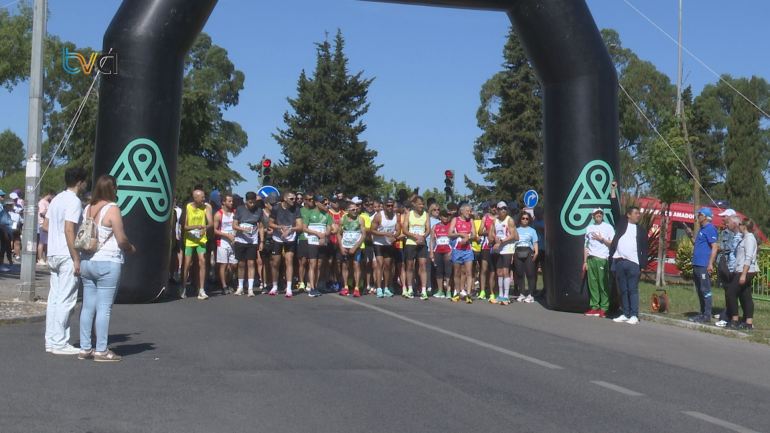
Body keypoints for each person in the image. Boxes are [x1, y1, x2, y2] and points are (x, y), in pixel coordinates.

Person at [77, 175, 136, 362]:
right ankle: (101, 350)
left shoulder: (88, 208)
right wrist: (130, 248)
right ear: (113, 189)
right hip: (107, 261)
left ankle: (85, 347)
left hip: (87, 261)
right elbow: (121, 238)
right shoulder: (112, 209)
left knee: (88, 307)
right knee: (104, 308)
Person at [43, 167, 88, 355]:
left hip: (53, 252)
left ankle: (51, 340)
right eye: (85, 182)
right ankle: (60, 342)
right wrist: (76, 257)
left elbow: (45, 225)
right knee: (66, 299)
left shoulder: (56, 199)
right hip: (66, 253)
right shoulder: (74, 201)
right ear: (80, 183)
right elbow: (69, 229)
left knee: (54, 299)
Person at [608, 181, 649, 325]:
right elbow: (614, 207)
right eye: (636, 213)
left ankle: (634, 315)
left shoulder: (641, 230)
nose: (638, 216)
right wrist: (613, 190)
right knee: (623, 289)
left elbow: (645, 249)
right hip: (620, 262)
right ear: (628, 215)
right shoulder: (621, 223)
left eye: (639, 214)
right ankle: (625, 313)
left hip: (633, 264)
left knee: (632, 289)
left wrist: (643, 266)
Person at [725, 217, 759, 330]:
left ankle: (734, 320)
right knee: (745, 295)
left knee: (731, 293)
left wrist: (743, 274)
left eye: (740, 224)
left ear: (744, 226)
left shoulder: (750, 239)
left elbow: (748, 257)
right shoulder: (744, 238)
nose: (738, 226)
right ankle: (748, 323)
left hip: (746, 270)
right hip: (740, 269)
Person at [686, 207, 719, 323]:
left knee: (705, 289)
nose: (698, 217)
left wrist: (710, 263)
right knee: (699, 289)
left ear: (705, 217)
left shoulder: (710, 229)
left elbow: (714, 247)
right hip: (697, 263)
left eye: (700, 215)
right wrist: (690, 236)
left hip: (704, 264)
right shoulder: (702, 229)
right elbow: (697, 244)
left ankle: (707, 315)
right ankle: (702, 312)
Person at [180, 189, 213, 300]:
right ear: (195, 198)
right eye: (202, 197)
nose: (204, 199)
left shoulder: (205, 208)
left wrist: (205, 228)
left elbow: (210, 223)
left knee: (202, 262)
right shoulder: (188, 207)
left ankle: (201, 289)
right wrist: (196, 227)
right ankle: (183, 287)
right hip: (189, 240)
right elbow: (184, 226)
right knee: (187, 263)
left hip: (201, 240)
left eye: (204, 197)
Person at [269, 191, 302, 297]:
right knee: (275, 263)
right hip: (277, 238)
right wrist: (280, 227)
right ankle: (275, 286)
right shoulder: (276, 208)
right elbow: (270, 223)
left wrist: (290, 230)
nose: (294, 201)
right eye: (291, 199)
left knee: (289, 261)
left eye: (294, 199)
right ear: (285, 198)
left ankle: (288, 287)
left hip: (290, 238)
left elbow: (300, 226)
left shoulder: (296, 209)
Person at [583, 208, 615, 317]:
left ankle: (604, 307)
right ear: (592, 216)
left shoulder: (608, 227)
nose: (599, 215)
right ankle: (594, 306)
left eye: (601, 213)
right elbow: (586, 245)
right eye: (597, 213)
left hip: (602, 258)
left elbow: (613, 243)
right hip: (590, 258)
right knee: (593, 284)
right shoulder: (589, 228)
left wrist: (601, 239)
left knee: (603, 283)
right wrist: (585, 261)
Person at [231, 192, 265, 297]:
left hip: (252, 241)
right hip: (240, 240)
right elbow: (234, 225)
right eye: (250, 202)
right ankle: (240, 286)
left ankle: (250, 288)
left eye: (254, 202)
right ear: (246, 201)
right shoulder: (240, 209)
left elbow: (261, 227)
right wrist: (243, 229)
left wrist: (261, 241)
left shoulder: (259, 211)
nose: (252, 204)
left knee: (251, 263)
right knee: (241, 263)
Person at [302, 195, 332, 297]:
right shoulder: (310, 213)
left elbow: (329, 228)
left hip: (323, 242)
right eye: (322, 202)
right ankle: (311, 288)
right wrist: (317, 233)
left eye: (325, 203)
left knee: (319, 265)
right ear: (316, 203)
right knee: (313, 264)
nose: (324, 204)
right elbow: (304, 228)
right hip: (312, 242)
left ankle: (316, 286)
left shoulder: (327, 215)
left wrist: (324, 235)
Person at [370, 197, 401, 298]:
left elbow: (398, 230)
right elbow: (372, 230)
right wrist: (384, 234)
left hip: (388, 244)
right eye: (388, 206)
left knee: (388, 265)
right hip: (378, 243)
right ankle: (379, 288)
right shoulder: (379, 216)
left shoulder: (396, 216)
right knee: (380, 264)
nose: (390, 208)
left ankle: (386, 287)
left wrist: (394, 237)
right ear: (384, 206)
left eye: (392, 206)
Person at [715, 213, 742, 327]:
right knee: (730, 293)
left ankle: (730, 318)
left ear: (734, 223)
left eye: (728, 221)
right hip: (730, 267)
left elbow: (734, 250)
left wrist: (721, 248)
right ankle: (730, 317)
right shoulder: (732, 234)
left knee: (733, 294)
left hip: (737, 268)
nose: (726, 223)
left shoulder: (740, 236)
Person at [489, 202, 517, 305]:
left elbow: (513, 235)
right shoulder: (495, 220)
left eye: (505, 208)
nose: (503, 210)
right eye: (501, 209)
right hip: (498, 249)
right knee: (499, 272)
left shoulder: (509, 220)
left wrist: (502, 241)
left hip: (507, 248)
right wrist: (495, 237)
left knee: (506, 271)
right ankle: (500, 294)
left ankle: (506, 295)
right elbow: (491, 232)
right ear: (498, 210)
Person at [403, 196, 431, 300]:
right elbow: (405, 229)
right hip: (411, 243)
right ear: (414, 204)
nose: (421, 206)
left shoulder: (426, 215)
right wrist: (414, 236)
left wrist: (423, 237)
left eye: (422, 204)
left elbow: (428, 229)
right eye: (419, 204)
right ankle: (410, 289)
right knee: (410, 266)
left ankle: (423, 290)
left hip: (422, 243)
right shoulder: (409, 214)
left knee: (423, 265)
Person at [448, 203, 477, 303]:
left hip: (468, 249)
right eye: (467, 211)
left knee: (468, 272)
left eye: (470, 211)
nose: (469, 213)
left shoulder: (471, 221)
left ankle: (468, 294)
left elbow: (474, 235)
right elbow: (449, 234)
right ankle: (457, 292)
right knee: (456, 272)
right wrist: (460, 234)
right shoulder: (455, 220)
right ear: (461, 211)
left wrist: (468, 238)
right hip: (457, 249)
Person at [338, 202, 366, 297]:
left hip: (356, 246)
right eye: (353, 210)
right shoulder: (342, 219)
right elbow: (338, 234)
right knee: (345, 266)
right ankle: (346, 287)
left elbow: (364, 235)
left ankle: (356, 288)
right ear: (347, 210)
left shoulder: (360, 219)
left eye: (356, 209)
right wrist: (341, 247)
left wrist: (355, 247)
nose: (355, 211)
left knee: (356, 265)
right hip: (345, 245)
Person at [213, 193, 238, 295]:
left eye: (232, 201)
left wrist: (234, 235)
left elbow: (237, 225)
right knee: (223, 264)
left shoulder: (234, 213)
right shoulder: (218, 214)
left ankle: (228, 280)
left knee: (234, 264)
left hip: (233, 241)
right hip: (222, 241)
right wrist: (227, 235)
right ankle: (224, 285)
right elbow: (215, 230)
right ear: (223, 202)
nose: (231, 203)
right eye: (229, 201)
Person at [429, 210, 453, 299]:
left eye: (447, 216)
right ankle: (440, 290)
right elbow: (432, 240)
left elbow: (454, 240)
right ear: (440, 217)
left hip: (448, 251)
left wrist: (451, 252)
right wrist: (431, 252)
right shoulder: (435, 226)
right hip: (437, 251)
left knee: (448, 271)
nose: (446, 218)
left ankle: (449, 291)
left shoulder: (451, 226)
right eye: (444, 216)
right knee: (439, 271)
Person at [296, 193, 314, 293]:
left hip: (313, 239)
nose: (312, 201)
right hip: (303, 238)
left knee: (311, 261)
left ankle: (309, 282)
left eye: (312, 199)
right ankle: (301, 282)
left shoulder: (315, 210)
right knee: (303, 261)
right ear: (304, 201)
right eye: (309, 199)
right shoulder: (299, 211)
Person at [532, 205, 547, 297]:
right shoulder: (533, 222)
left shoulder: (546, 221)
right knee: (534, 270)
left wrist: (541, 228)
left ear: (542, 213)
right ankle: (533, 288)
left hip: (544, 248)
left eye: (539, 213)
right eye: (536, 214)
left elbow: (549, 232)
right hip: (535, 249)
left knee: (545, 270)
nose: (537, 215)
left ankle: (545, 288)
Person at [37, 190, 54, 265]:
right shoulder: (42, 202)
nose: (52, 198)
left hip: (49, 225)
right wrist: (49, 209)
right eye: (52, 197)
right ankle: (40, 258)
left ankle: (47, 259)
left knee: (47, 243)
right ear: (49, 195)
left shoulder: (47, 203)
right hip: (43, 224)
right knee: (42, 242)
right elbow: (42, 213)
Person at [0, 200, 14, 271]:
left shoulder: (7, 214)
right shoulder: (4, 214)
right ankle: (1, 264)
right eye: (10, 205)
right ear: (6, 206)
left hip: (8, 233)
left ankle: (11, 264)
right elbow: (3, 224)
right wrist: (5, 234)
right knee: (3, 248)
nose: (12, 207)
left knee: (8, 249)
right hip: (4, 233)